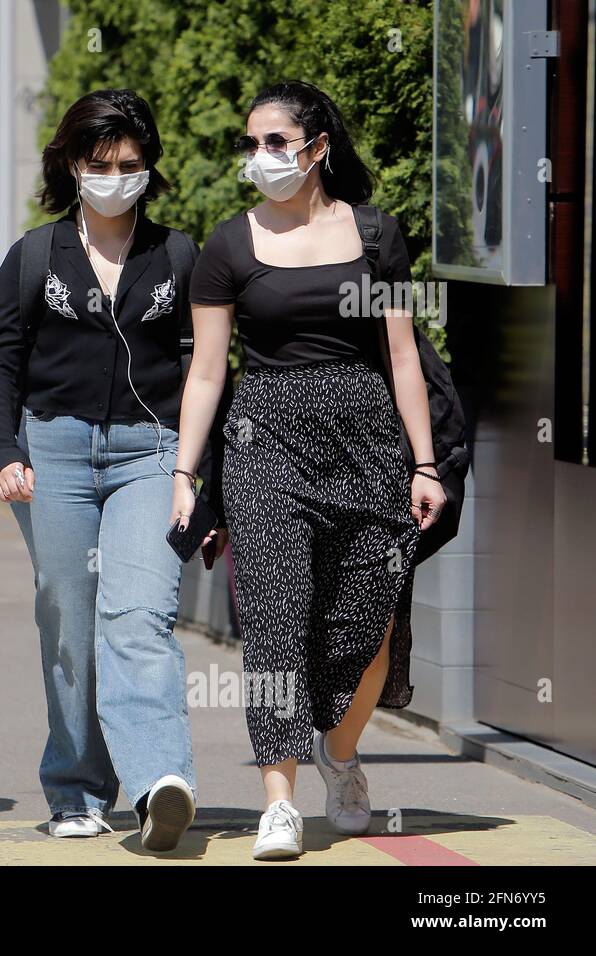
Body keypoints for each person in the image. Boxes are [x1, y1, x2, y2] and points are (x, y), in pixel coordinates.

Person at [172, 81, 445, 861]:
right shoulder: (228, 246)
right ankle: (279, 798)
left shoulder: (376, 234)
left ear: (317, 146)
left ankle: (340, 753)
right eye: (251, 144)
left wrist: (423, 463)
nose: (260, 158)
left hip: (366, 440)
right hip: (266, 441)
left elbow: (402, 356)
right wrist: (186, 472)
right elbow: (208, 374)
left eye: (276, 143)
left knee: (367, 621)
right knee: (274, 622)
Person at [0, 89, 225, 851]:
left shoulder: (178, 255)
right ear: (74, 165)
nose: (118, 176)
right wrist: (1, 453)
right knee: (69, 620)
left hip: (149, 453)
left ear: (150, 169)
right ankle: (77, 788)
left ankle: (157, 784)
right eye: (103, 164)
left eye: (133, 164)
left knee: (138, 614)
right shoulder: (34, 256)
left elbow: (208, 375)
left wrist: (198, 478)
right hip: (52, 453)